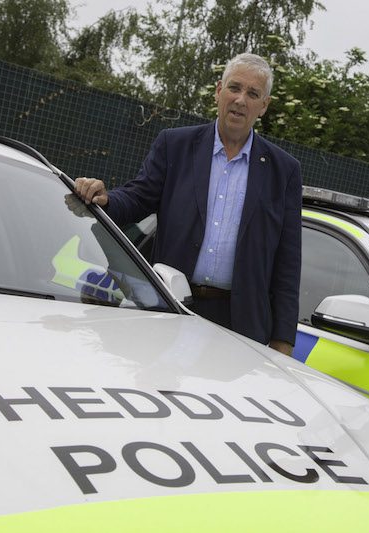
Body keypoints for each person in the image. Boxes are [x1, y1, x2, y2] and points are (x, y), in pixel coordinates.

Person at [73, 53, 301, 356]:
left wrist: (283, 341)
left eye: (252, 94)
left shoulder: (283, 170)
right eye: (234, 88)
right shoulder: (175, 145)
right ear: (219, 91)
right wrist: (107, 198)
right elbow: (139, 196)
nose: (240, 100)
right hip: (171, 308)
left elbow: (288, 262)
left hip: (242, 325)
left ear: (264, 106)